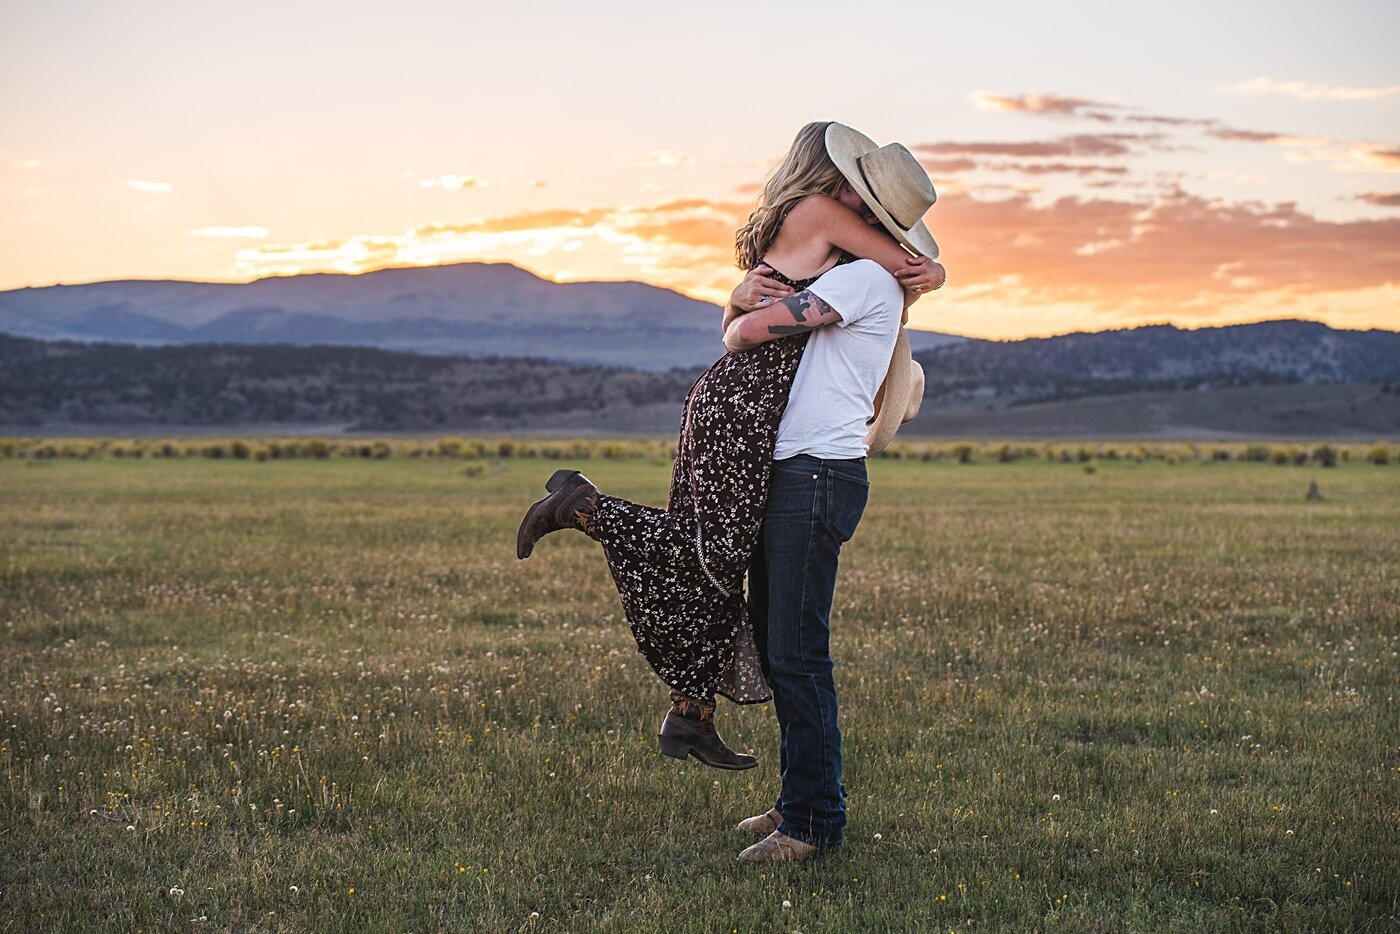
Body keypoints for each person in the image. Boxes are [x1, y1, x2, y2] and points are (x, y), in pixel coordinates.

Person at [515, 122, 944, 775]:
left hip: (745, 406)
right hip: (743, 408)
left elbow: (742, 324)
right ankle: (583, 508)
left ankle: (691, 714)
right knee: (711, 552)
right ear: (837, 185)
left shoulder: (811, 235)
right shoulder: (822, 213)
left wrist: (733, 307)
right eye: (867, 201)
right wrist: (929, 271)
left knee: (718, 562)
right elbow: (903, 271)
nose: (871, 217)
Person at [730, 124, 941, 863]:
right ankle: (801, 800)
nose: (835, 200)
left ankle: (813, 823)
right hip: (801, 470)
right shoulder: (849, 276)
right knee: (785, 646)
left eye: (852, 198)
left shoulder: (859, 280)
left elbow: (748, 334)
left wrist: (747, 309)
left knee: (798, 653)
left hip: (815, 475)